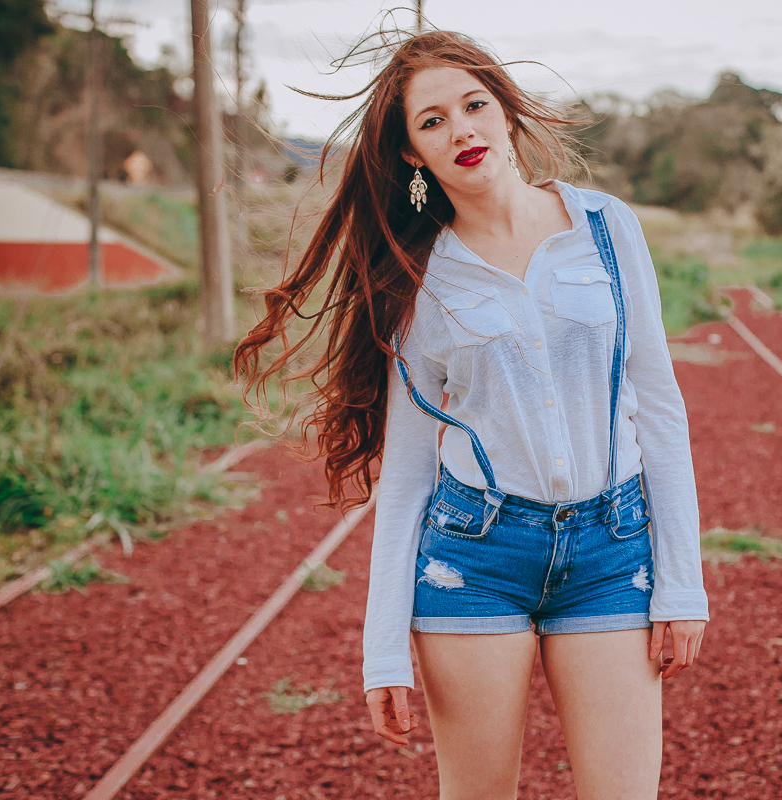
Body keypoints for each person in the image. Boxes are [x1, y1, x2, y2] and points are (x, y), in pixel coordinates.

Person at [235, 28, 709, 800]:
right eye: (431, 121)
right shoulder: (418, 280)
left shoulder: (606, 228)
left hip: (612, 553)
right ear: (414, 156)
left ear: (505, 110)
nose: (461, 129)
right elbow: (412, 467)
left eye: (473, 104)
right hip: (474, 563)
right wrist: (381, 649)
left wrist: (682, 585)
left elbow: (658, 406)